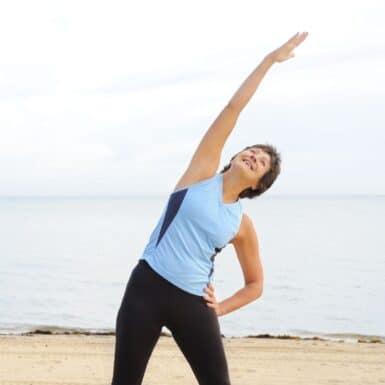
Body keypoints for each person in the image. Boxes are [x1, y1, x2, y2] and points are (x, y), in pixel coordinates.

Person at [110, 31, 309, 385]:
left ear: (258, 185)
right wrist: (268, 61)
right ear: (233, 156)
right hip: (147, 287)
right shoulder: (199, 175)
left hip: (193, 303)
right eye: (251, 151)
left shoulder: (241, 224)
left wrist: (221, 307)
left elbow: (255, 284)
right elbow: (233, 109)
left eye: (261, 162)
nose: (253, 156)